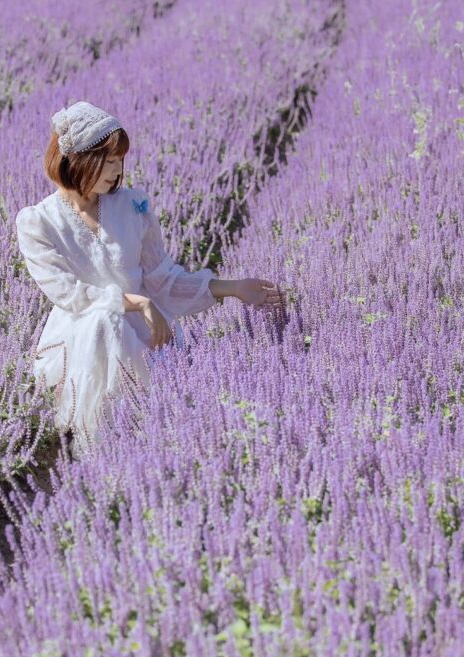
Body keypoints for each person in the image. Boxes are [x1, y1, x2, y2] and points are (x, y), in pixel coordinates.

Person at [15, 101, 284, 459]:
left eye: (120, 160)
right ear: (78, 160)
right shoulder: (38, 222)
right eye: (108, 160)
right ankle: (101, 451)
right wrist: (137, 302)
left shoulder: (132, 205)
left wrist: (233, 288)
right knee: (104, 323)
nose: (117, 170)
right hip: (83, 336)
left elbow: (162, 280)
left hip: (146, 329)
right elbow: (71, 295)